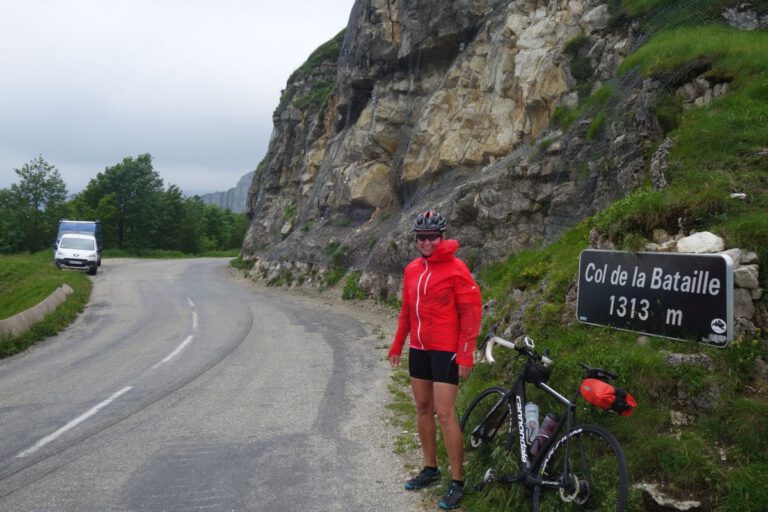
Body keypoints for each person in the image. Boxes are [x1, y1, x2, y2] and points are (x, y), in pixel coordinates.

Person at [388, 210, 482, 510]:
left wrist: (466, 353)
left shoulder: (457, 269)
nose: (426, 242)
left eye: (431, 237)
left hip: (446, 350)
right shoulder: (412, 270)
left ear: (442, 236)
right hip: (418, 348)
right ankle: (430, 469)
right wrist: (397, 344)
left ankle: (457, 481)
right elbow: (406, 311)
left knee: (445, 413)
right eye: (421, 237)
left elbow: (471, 313)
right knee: (423, 408)